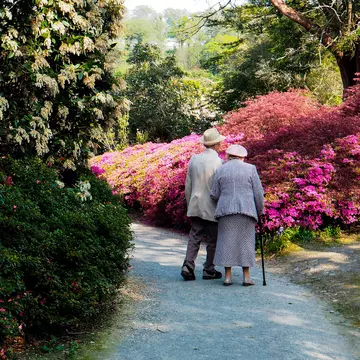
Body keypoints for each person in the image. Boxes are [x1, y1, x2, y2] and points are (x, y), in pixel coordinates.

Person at [210, 144, 264, 286]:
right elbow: (258, 193)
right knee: (245, 243)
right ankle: (246, 277)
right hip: (246, 211)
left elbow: (214, 194)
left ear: (228, 156)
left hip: (225, 210)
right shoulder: (250, 169)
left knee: (226, 242)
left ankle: (228, 277)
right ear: (243, 157)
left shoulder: (220, 170)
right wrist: (260, 210)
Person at [181, 128, 226, 281]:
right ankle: (209, 269)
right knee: (212, 239)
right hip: (212, 205)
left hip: (195, 202)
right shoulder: (219, 162)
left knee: (195, 236)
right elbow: (220, 187)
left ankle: (188, 265)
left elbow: (188, 185)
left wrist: (189, 204)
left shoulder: (194, 159)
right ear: (217, 144)